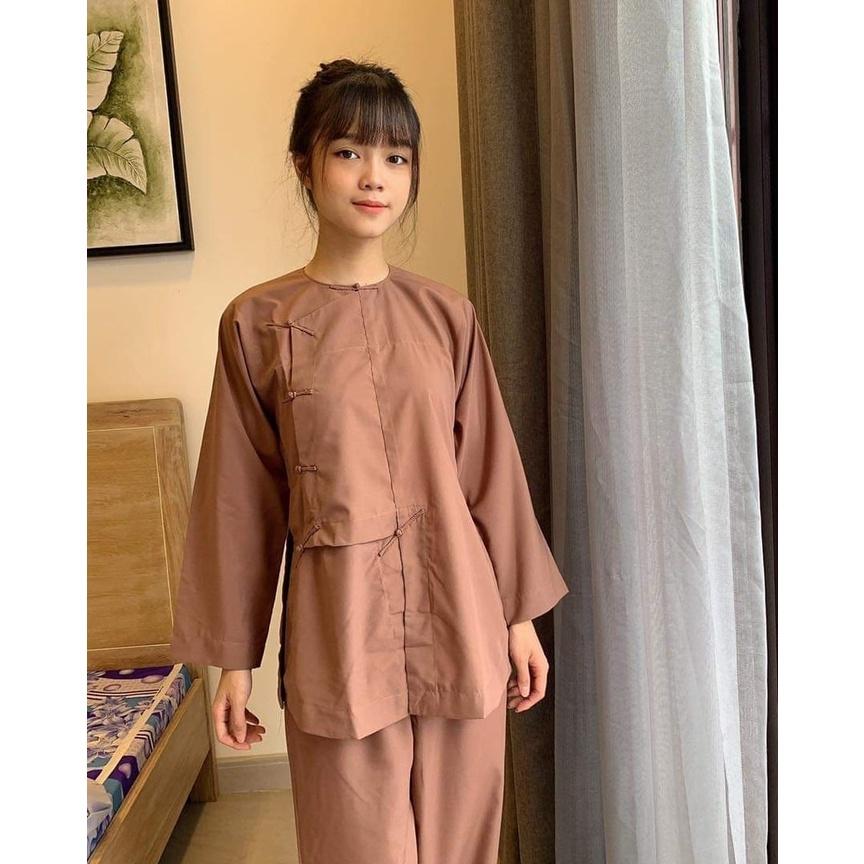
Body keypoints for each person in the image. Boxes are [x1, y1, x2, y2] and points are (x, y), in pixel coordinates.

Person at [169, 57, 569, 864]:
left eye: (396, 156)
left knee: (461, 843)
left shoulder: (447, 317)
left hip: (461, 617)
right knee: (357, 844)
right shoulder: (257, 324)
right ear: (304, 164)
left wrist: (519, 619)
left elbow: (490, 476)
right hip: (340, 629)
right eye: (349, 151)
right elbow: (239, 503)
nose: (374, 176)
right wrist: (234, 662)